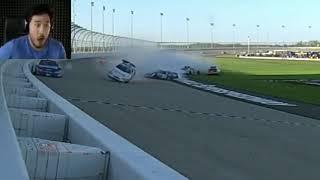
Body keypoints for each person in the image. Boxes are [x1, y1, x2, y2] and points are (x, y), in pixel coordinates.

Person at [0, 4, 66, 59]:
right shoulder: (12, 47)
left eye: (46, 25)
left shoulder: (58, 48)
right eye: (37, 25)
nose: (42, 31)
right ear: (28, 25)